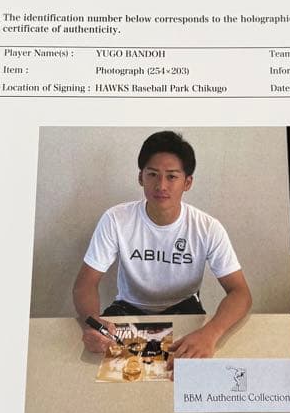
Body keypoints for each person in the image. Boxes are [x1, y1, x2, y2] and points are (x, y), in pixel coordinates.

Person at [73, 131, 252, 360]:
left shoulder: (207, 227)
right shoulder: (115, 219)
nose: (161, 185)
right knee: (111, 370)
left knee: (185, 371)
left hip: (184, 308)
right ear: (141, 178)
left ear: (187, 182)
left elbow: (241, 293)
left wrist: (210, 334)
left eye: (172, 176)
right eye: (153, 174)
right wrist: (92, 321)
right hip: (128, 307)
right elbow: (85, 285)